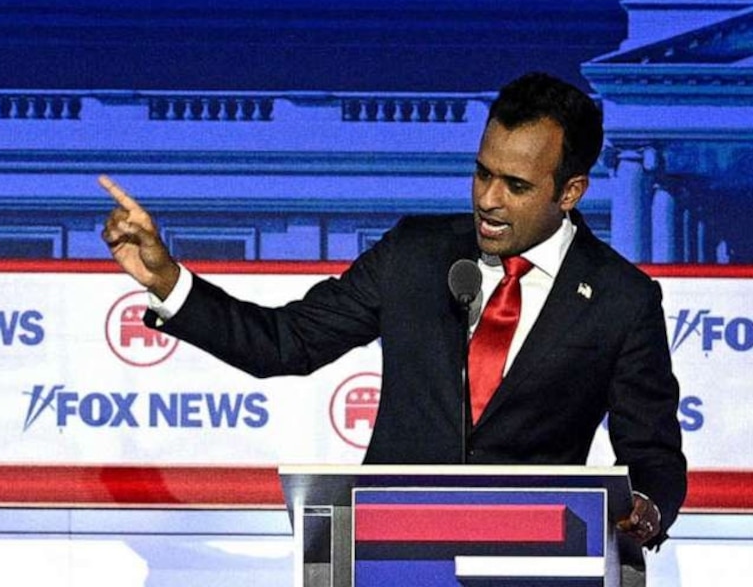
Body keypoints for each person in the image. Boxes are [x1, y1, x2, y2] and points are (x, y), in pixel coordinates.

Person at [100, 71, 685, 549]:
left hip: (534, 561)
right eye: (482, 173)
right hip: (393, 555)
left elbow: (653, 455)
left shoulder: (620, 299)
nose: (487, 198)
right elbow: (284, 341)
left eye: (515, 185)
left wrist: (646, 509)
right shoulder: (415, 254)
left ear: (570, 191)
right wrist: (167, 279)